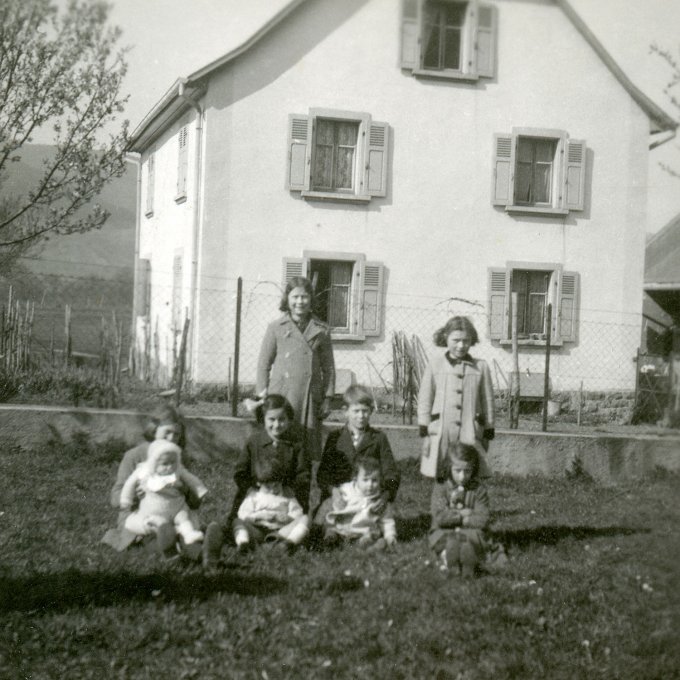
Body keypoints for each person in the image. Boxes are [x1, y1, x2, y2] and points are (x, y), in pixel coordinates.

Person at [203, 394, 310, 569]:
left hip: (285, 502)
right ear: (263, 418)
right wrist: (254, 489)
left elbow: (303, 474)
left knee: (304, 520)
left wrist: (290, 490)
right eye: (272, 419)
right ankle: (242, 542)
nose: (277, 425)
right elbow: (240, 472)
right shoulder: (254, 442)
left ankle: (285, 543)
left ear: (289, 420)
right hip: (256, 500)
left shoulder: (296, 444)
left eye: (282, 419)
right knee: (236, 523)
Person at [101, 405, 206, 558]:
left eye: (176, 435)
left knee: (185, 531)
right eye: (167, 433)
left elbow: (195, 502)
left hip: (174, 513)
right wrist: (135, 495)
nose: (172, 439)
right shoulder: (135, 456)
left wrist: (186, 491)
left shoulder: (177, 457)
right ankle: (170, 552)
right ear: (154, 430)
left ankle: (204, 555)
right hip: (140, 517)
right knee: (153, 535)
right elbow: (116, 497)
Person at [256, 276, 335, 459]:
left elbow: (328, 367)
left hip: (309, 396)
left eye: (305, 297)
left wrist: (328, 398)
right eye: (295, 297)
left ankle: (302, 485)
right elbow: (263, 365)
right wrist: (262, 398)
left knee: (305, 451)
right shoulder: (276, 327)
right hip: (282, 396)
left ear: (311, 299)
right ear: (287, 299)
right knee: (280, 446)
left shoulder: (321, 330)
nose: (300, 302)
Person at [417, 316, 495, 481]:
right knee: (442, 472)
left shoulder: (481, 367)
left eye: (466, 341)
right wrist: (425, 433)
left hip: (470, 430)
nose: (461, 345)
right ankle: (441, 505)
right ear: (446, 337)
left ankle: (469, 505)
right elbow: (425, 399)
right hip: (441, 431)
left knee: (469, 472)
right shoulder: (435, 365)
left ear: (472, 341)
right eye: (456, 340)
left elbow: (488, 401)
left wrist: (488, 430)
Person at [314, 385, 400, 533]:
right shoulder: (335, 438)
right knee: (319, 522)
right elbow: (323, 473)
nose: (361, 416)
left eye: (365, 411)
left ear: (371, 411)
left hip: (367, 498)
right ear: (345, 412)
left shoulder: (379, 438)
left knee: (375, 520)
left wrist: (385, 495)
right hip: (342, 497)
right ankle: (332, 532)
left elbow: (391, 473)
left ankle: (364, 535)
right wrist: (333, 491)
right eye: (356, 411)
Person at [119, 439, 207, 548]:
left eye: (173, 462)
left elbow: (192, 480)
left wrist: (200, 491)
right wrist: (126, 499)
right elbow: (129, 483)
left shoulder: (179, 471)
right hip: (153, 512)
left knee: (183, 517)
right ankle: (169, 539)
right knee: (155, 524)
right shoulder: (145, 471)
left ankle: (189, 535)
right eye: (165, 464)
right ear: (154, 463)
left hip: (176, 508)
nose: (169, 467)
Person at [429, 443, 490, 578]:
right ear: (449, 467)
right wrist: (463, 517)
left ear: (473, 470)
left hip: (471, 531)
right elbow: (440, 517)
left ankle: (468, 563)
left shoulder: (478, 490)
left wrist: (463, 519)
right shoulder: (441, 488)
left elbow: (483, 518)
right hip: (444, 531)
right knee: (445, 541)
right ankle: (450, 560)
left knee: (472, 540)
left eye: (467, 471)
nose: (462, 476)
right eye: (458, 471)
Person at [233, 457, 310, 553]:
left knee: (305, 518)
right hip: (258, 530)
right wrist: (258, 516)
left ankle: (289, 544)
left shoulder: (287, 496)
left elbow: (298, 512)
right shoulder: (254, 497)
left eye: (276, 486)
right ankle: (243, 543)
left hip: (280, 531)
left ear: (281, 482)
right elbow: (243, 514)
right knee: (237, 521)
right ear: (259, 483)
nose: (273, 490)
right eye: (268, 487)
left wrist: (288, 518)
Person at [323, 455, 397, 551]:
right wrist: (338, 503)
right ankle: (330, 540)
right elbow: (334, 506)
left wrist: (390, 536)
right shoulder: (347, 492)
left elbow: (387, 521)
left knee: (372, 538)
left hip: (362, 533)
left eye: (374, 480)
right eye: (365, 480)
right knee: (331, 531)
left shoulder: (380, 501)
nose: (370, 485)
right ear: (355, 479)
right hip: (342, 531)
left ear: (380, 481)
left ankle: (369, 546)